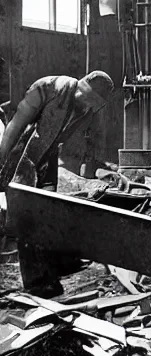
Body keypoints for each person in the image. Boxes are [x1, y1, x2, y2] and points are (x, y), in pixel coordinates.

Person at [0, 71, 115, 297]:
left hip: (46, 157)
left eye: (94, 103)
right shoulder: (48, 88)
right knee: (28, 216)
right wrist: (2, 159)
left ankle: (59, 263)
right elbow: (16, 124)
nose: (87, 104)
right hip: (20, 155)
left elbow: (63, 142)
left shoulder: (85, 109)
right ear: (81, 86)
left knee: (51, 208)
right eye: (87, 97)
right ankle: (37, 282)